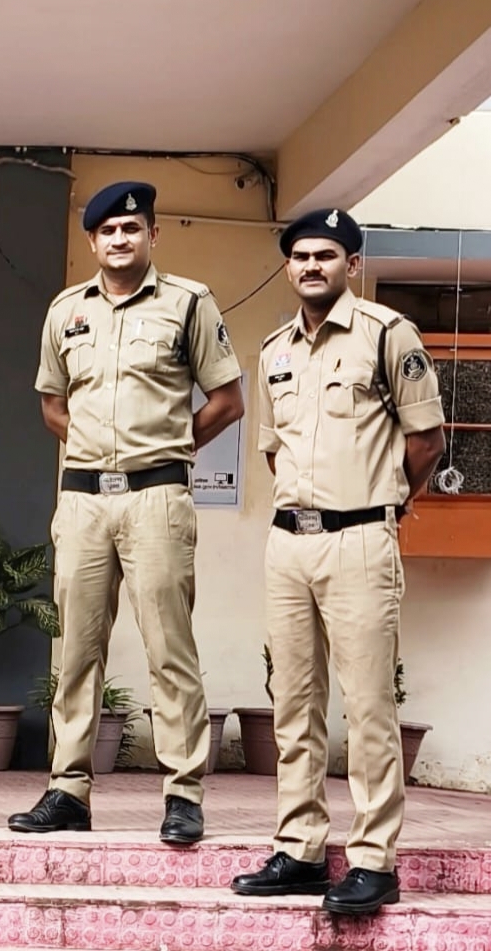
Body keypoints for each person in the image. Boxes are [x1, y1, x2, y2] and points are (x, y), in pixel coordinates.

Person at [10, 181, 244, 845]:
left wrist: (167, 447)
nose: (120, 239)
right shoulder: (66, 310)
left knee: (170, 647)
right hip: (83, 500)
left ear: (152, 235)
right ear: (92, 241)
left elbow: (227, 399)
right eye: (108, 230)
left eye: (132, 228)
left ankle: (183, 794)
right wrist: (94, 447)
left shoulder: (188, 302)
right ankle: (68, 790)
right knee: (76, 649)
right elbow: (51, 404)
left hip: (156, 498)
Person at [231, 208, 444, 916]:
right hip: (289, 543)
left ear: (351, 264)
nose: (312, 266)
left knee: (369, 703)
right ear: (288, 267)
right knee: (293, 702)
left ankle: (374, 860)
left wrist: (382, 504)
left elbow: (426, 442)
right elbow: (276, 450)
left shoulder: (388, 335)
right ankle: (299, 849)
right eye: (301, 256)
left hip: (361, 541)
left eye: (326, 255)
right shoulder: (273, 350)